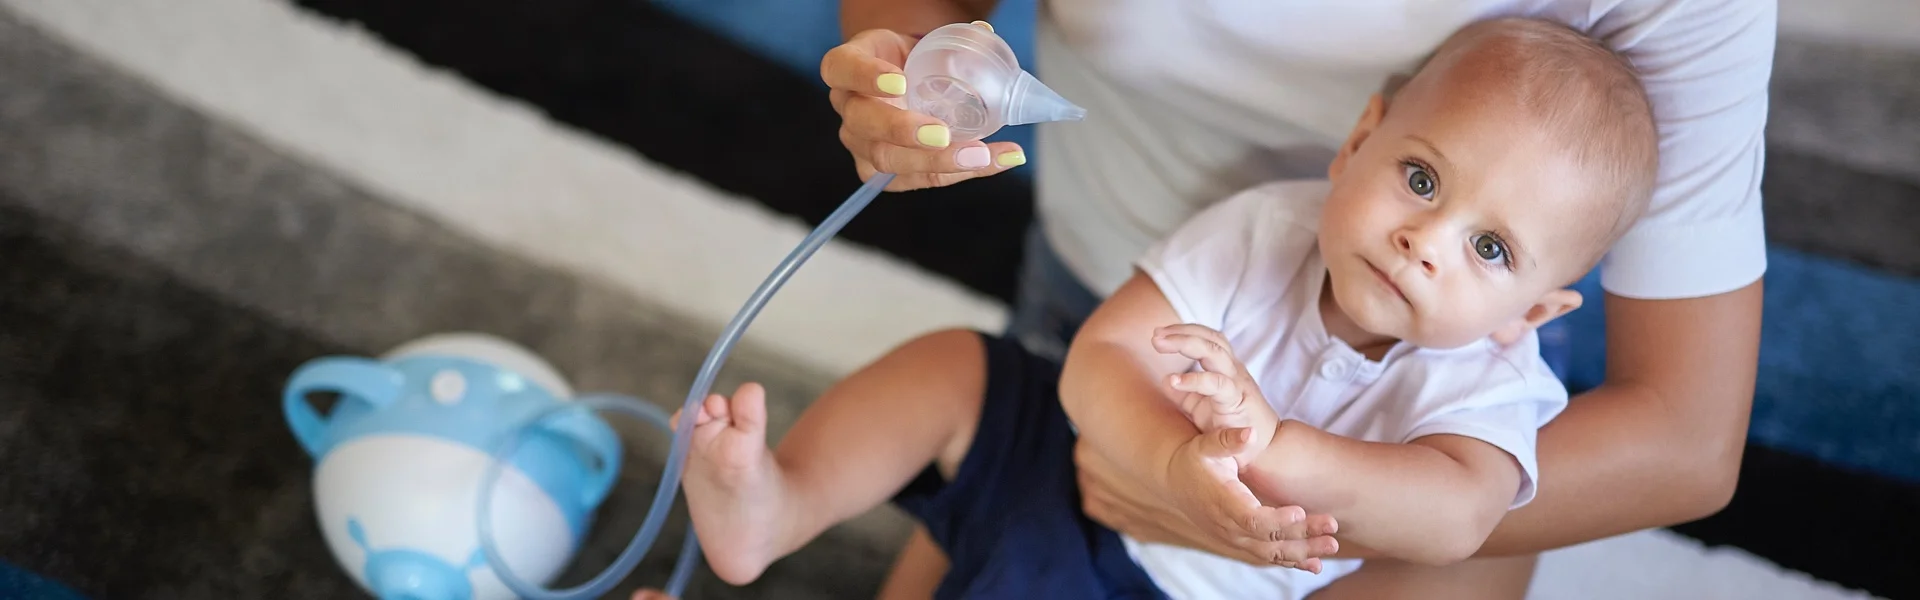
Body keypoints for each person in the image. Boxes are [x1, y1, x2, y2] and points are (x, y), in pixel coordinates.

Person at [634, 17, 1661, 600]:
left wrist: (1281, 451)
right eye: (1422, 181)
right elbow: (1098, 359)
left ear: (1539, 304)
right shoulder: (1269, 226)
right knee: (955, 366)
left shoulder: (1495, 380)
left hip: (1180, 594)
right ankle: (786, 499)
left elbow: (1457, 515)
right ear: (1359, 142)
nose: (1425, 243)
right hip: (1081, 468)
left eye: (1491, 249)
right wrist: (1168, 464)